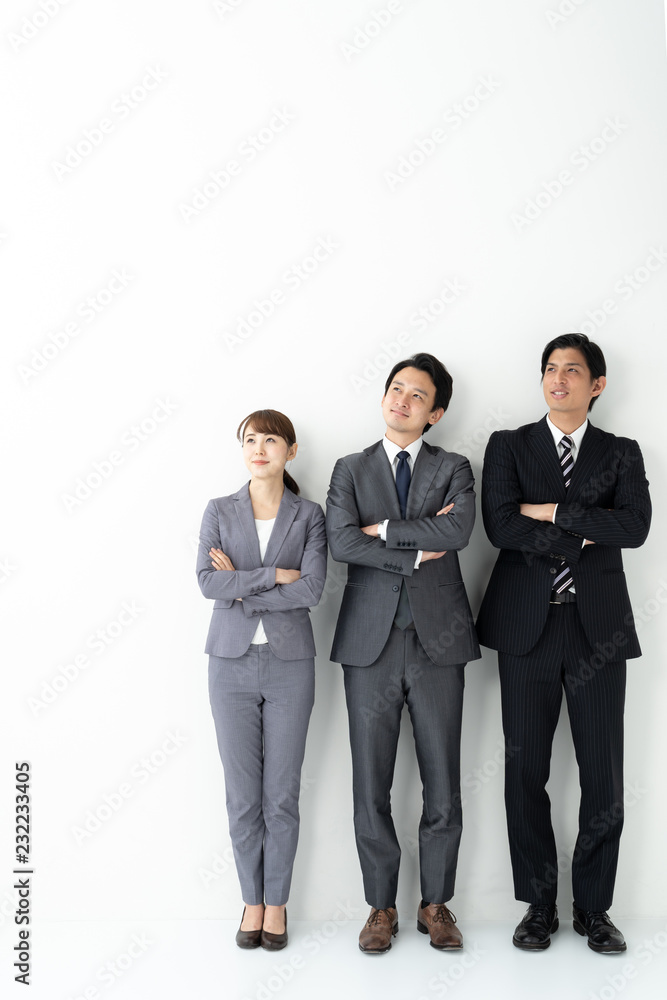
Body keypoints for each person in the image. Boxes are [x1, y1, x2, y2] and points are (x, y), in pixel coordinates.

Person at [476, 334, 651, 953]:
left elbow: (634, 528)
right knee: (525, 771)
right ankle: (540, 906)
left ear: (596, 385)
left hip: (597, 631)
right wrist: (582, 532)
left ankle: (595, 910)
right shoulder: (509, 445)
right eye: (550, 369)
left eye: (572, 371)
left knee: (603, 775)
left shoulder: (622, 452)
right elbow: (500, 524)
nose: (558, 379)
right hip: (528, 628)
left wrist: (552, 514)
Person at [326, 352, 480, 954]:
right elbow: (340, 541)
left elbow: (459, 531)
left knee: (443, 780)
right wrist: (414, 550)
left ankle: (436, 904)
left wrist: (382, 531)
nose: (402, 400)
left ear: (435, 412)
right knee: (371, 781)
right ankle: (380, 907)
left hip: (439, 639)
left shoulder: (455, 467)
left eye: (418, 396)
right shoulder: (349, 467)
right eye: (396, 389)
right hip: (369, 643)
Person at [196, 409, 327, 951]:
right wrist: (273, 575)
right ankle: (251, 899)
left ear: (290, 451)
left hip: (290, 665)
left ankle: (277, 903)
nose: (259, 448)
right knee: (242, 795)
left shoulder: (309, 515)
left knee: (281, 795)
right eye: (250, 439)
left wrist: (239, 583)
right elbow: (207, 582)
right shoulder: (219, 510)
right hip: (228, 665)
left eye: (270, 439)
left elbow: (313, 589)